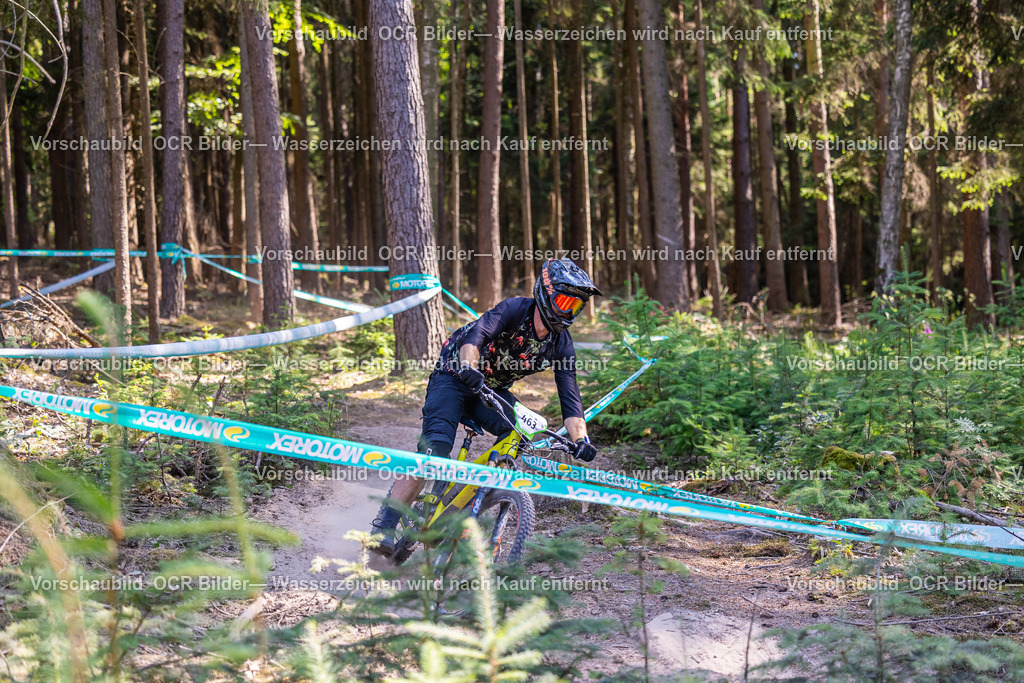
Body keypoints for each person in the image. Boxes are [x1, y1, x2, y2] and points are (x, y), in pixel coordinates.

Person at [369, 258, 601, 557]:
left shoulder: (561, 343)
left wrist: (581, 440)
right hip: (454, 377)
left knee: (518, 434)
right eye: (564, 300)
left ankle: (470, 502)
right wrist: (468, 366)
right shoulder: (515, 309)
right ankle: (384, 525)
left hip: (490, 390)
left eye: (576, 306)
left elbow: (571, 401)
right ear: (545, 292)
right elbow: (475, 337)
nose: (568, 310)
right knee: (435, 451)